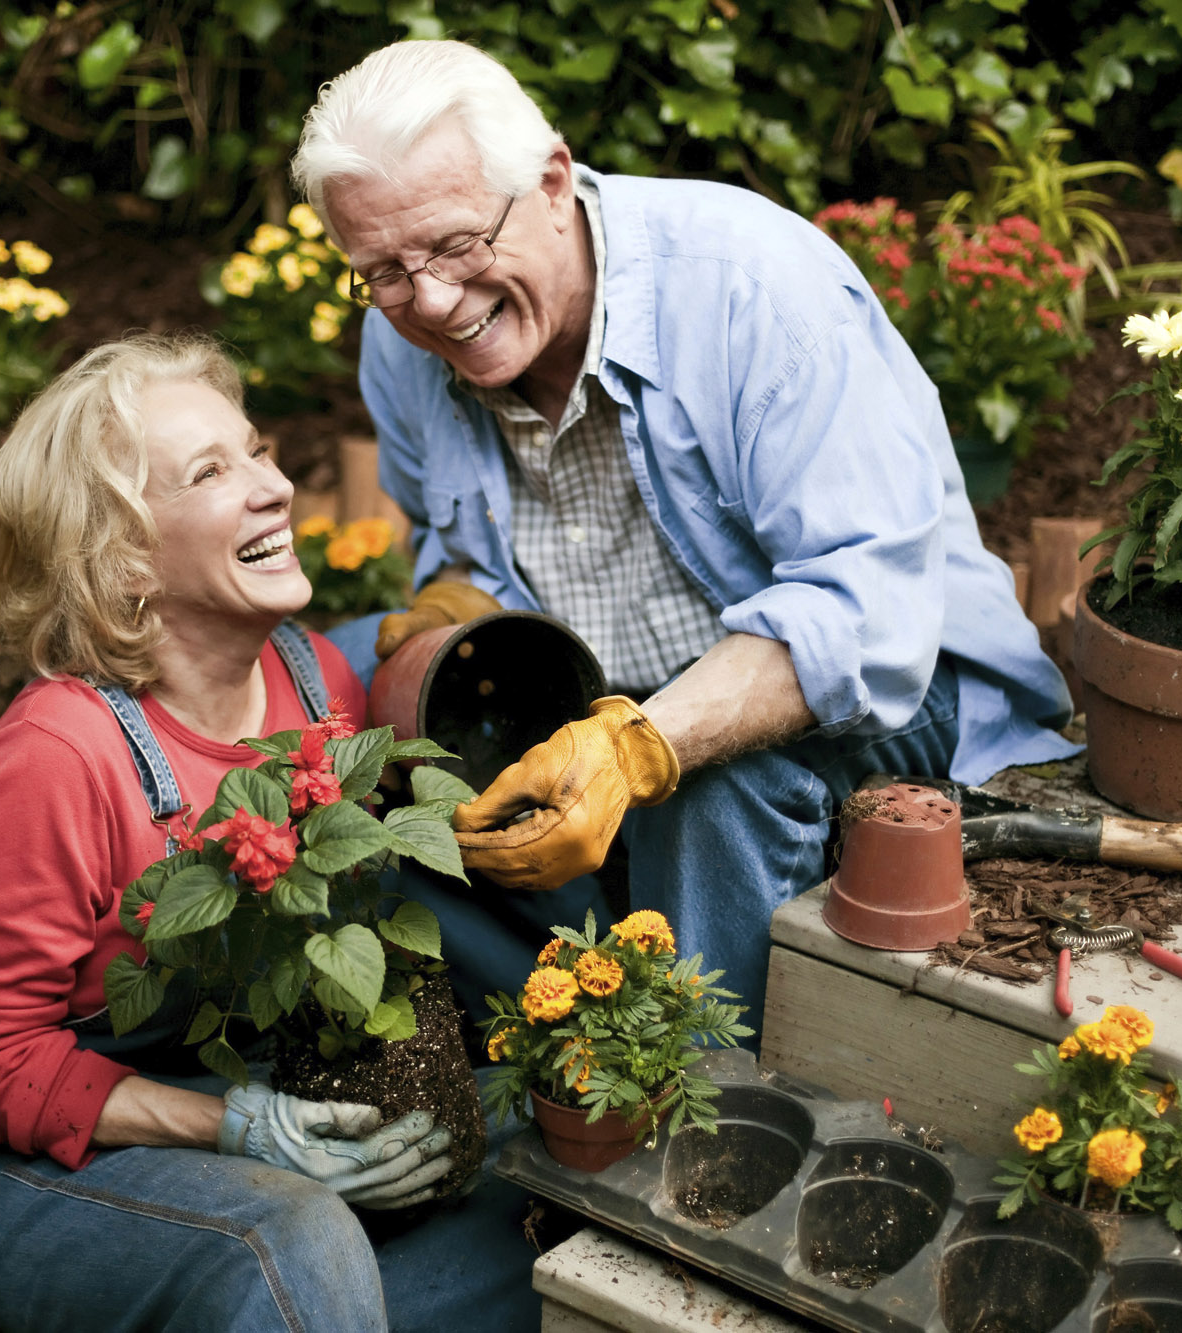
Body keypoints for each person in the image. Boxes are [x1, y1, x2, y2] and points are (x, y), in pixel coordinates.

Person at [291, 41, 1078, 1034]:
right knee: (353, 690)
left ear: (549, 180)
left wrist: (640, 745)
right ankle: (547, 1036)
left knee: (707, 796)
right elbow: (456, 554)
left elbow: (866, 614)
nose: (432, 302)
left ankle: (696, 1104)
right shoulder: (398, 341)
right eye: (385, 272)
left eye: (454, 247)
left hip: (899, 684)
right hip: (603, 687)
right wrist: (452, 604)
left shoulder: (752, 291)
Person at [0, 333, 541, 1333]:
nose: (274, 485)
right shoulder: (56, 758)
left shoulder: (316, 676)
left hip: (234, 1082)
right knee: (290, 1239)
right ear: (121, 558)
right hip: (25, 1161)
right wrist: (235, 1127)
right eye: (210, 472)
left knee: (543, 1128)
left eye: (257, 451)